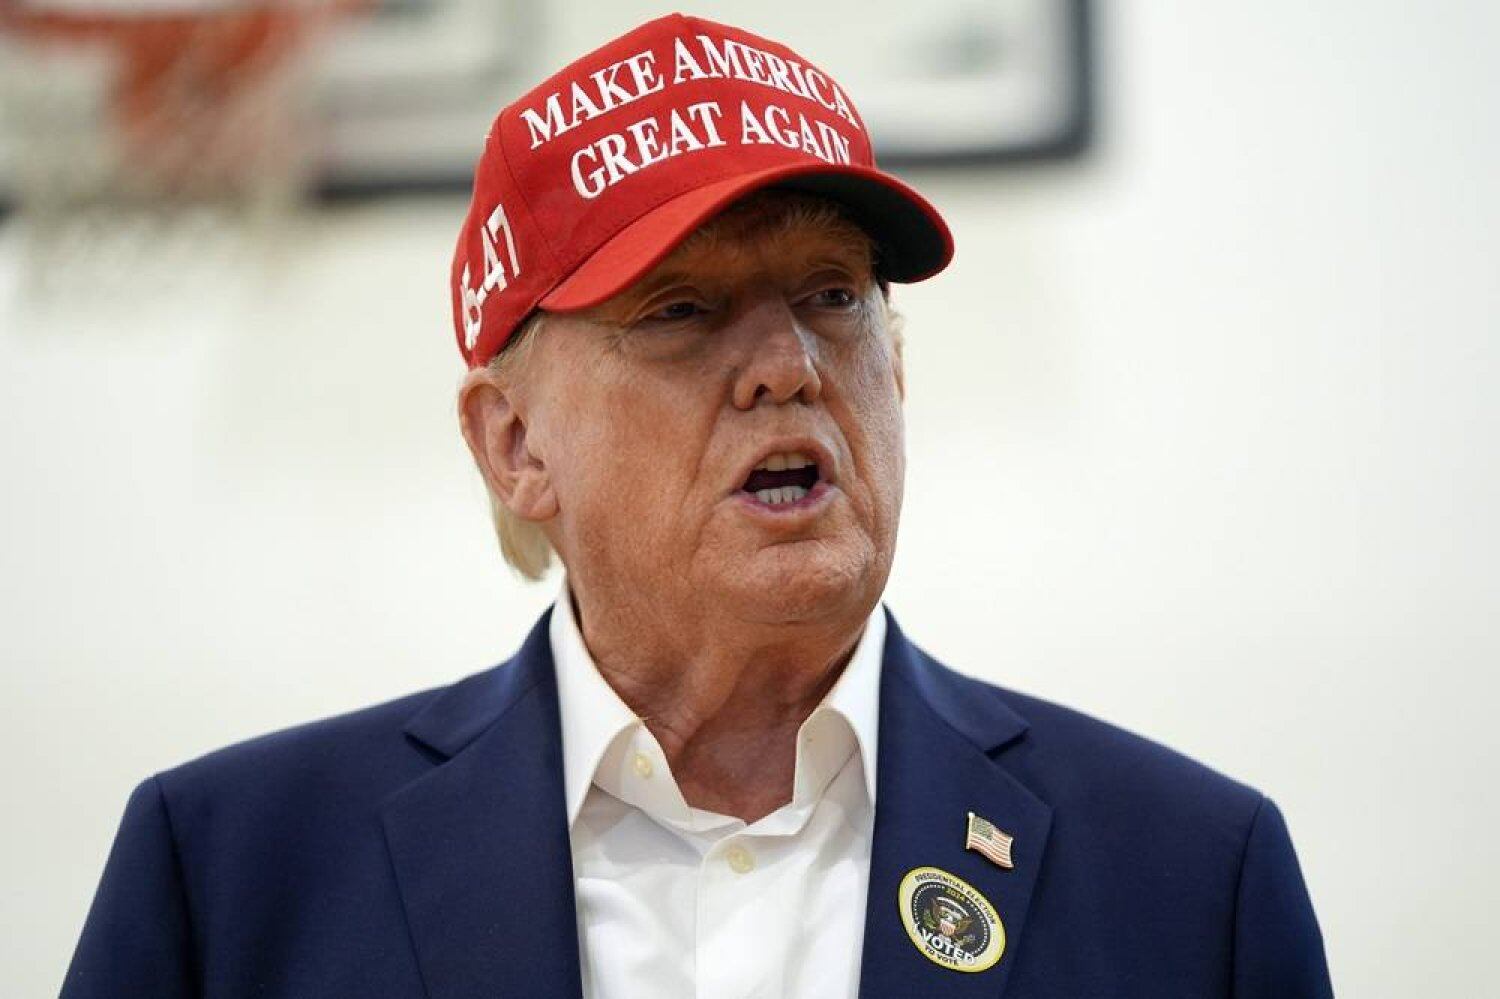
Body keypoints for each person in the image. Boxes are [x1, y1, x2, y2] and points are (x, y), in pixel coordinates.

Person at [61, 13, 1334, 998]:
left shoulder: (1191, 876)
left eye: (836, 294)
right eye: (680, 310)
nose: (788, 362)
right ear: (514, 447)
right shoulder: (231, 878)